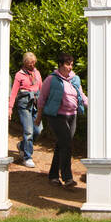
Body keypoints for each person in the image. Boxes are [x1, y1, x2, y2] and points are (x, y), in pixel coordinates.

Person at [38, 53, 87, 187]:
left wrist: (93, 107)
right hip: (56, 115)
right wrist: (38, 117)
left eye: (71, 64)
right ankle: (67, 177)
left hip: (73, 114)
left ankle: (53, 175)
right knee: (66, 144)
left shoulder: (75, 79)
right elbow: (42, 98)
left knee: (62, 145)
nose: (70, 67)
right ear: (60, 65)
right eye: (67, 64)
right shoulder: (51, 79)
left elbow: (81, 95)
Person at [7, 51, 42, 168]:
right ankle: (27, 157)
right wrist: (10, 108)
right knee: (28, 131)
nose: (32, 65)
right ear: (25, 63)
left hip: (36, 103)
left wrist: (43, 103)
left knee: (38, 130)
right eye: (30, 63)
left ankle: (22, 145)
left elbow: (41, 88)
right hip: (24, 104)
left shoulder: (37, 73)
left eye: (34, 63)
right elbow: (13, 93)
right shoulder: (19, 75)